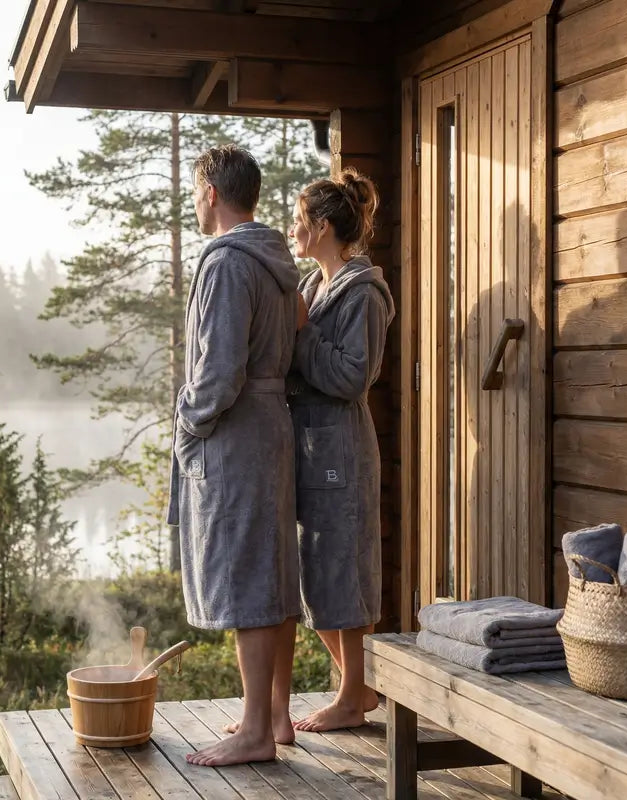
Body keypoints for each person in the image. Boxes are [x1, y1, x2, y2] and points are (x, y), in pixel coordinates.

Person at [167, 145, 301, 766]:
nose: (194, 203)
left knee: (249, 574)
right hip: (273, 426)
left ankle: (254, 732)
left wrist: (188, 417)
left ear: (213, 193)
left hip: (238, 431)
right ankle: (274, 717)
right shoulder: (276, 260)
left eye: (196, 192)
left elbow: (219, 372)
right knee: (271, 566)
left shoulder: (226, 264)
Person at [285, 167, 395, 732]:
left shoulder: (364, 293)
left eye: (300, 221)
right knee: (316, 575)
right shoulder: (310, 286)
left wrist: (302, 336)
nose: (293, 230)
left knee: (343, 573)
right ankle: (363, 689)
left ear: (323, 227)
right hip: (309, 450)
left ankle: (353, 697)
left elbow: (355, 376)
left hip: (342, 453)